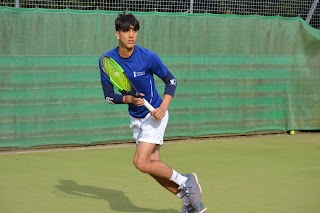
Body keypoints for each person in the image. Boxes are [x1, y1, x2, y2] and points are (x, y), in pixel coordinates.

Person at [98, 12, 207, 213]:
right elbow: (108, 96)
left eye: (134, 30)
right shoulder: (107, 61)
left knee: (140, 162)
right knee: (152, 166)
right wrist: (129, 99)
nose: (131, 35)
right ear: (117, 34)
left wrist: (163, 107)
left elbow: (171, 81)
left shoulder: (147, 57)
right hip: (136, 118)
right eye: (126, 31)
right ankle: (192, 203)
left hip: (154, 115)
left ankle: (186, 180)